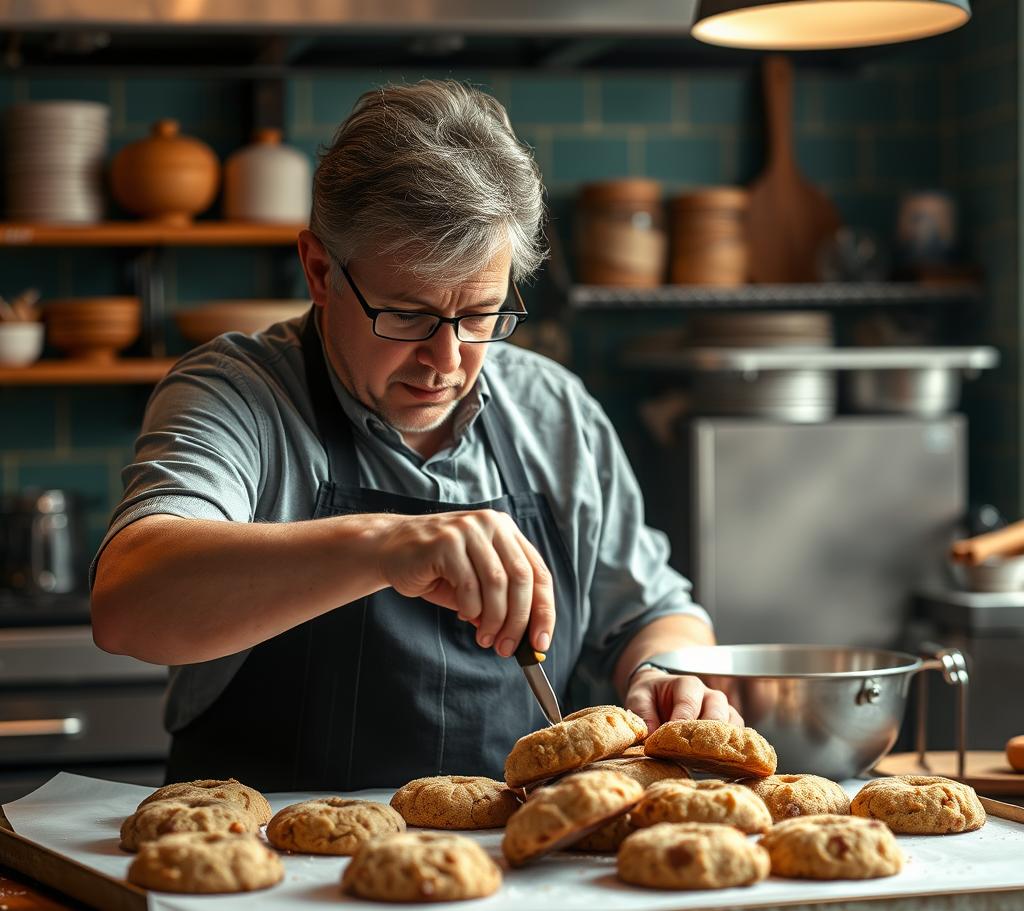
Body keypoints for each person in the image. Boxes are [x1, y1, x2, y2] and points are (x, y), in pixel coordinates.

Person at [90, 80, 738, 790]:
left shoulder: (554, 411)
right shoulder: (240, 395)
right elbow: (128, 602)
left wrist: (667, 671)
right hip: (262, 877)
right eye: (406, 314)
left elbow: (651, 610)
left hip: (516, 871)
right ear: (319, 272)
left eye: (480, 315)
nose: (446, 359)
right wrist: (384, 543)